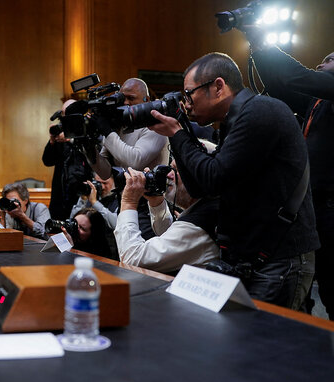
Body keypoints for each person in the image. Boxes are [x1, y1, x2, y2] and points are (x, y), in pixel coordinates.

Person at [148, 52, 319, 310]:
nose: (187, 104)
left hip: (279, 257)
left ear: (218, 86)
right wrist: (177, 133)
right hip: (256, 256)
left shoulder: (261, 111)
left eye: (189, 94)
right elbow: (199, 186)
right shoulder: (235, 120)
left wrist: (179, 133)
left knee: (269, 345)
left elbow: (215, 177)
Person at [243, 30, 334, 319]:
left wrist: (267, 44)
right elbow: (280, 85)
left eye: (329, 59)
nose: (320, 64)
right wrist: (258, 47)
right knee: (302, 286)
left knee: (331, 289)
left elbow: (297, 76)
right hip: (311, 207)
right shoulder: (317, 102)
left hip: (332, 209)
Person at [114, 144, 220, 274]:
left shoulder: (200, 223)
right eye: (170, 168)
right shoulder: (208, 207)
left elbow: (133, 260)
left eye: (177, 170)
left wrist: (128, 202)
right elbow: (170, 238)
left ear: (198, 175)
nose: (169, 175)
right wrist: (157, 203)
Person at [87, 78, 168, 240]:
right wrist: (87, 146)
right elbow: (104, 172)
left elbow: (135, 160)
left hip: (149, 203)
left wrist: (108, 132)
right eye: (122, 98)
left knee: (142, 257)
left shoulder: (154, 125)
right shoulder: (118, 126)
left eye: (131, 98)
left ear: (146, 100)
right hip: (125, 198)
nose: (125, 102)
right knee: (122, 254)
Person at [42, 99, 93, 220]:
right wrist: (52, 142)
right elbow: (47, 161)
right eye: (64, 113)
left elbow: (92, 156)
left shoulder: (87, 129)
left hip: (81, 194)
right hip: (60, 194)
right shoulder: (60, 136)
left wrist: (71, 140)